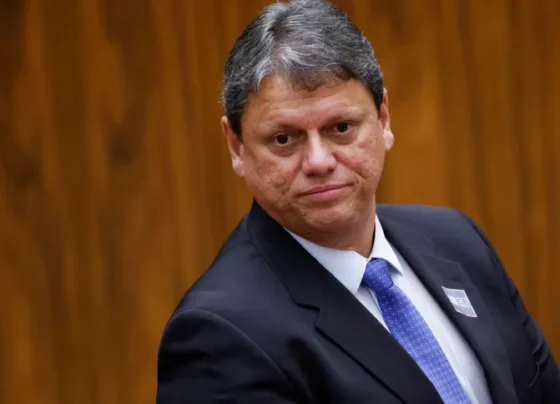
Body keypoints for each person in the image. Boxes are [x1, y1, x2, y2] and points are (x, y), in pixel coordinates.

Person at [156, 0, 560, 402]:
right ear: (236, 146)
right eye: (284, 139)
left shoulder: (459, 241)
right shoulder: (219, 334)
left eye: (341, 127)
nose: (319, 161)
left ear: (383, 119)